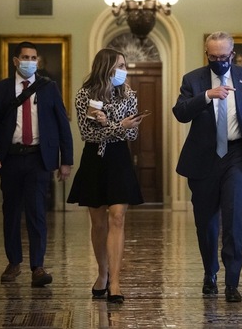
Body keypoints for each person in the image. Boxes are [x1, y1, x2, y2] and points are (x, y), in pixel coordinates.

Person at [173, 31, 242, 303]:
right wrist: (206, 95)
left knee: (234, 216)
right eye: (213, 57)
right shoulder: (193, 79)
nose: (219, 61)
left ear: (232, 52)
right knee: (206, 222)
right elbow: (180, 113)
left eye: (224, 56)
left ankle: (232, 282)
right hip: (203, 158)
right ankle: (210, 273)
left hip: (237, 155)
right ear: (207, 54)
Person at [0, 41, 73, 287]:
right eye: (25, 57)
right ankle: (13, 262)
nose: (29, 61)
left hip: (38, 159)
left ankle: (38, 266)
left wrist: (67, 161)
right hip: (10, 158)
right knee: (11, 212)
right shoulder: (1, 89)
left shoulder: (49, 88)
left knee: (37, 212)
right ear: (15, 60)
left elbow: (63, 124)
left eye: (33, 58)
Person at [67, 48, 146, 304]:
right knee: (98, 222)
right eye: (118, 65)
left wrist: (110, 125)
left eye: (125, 65)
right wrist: (117, 127)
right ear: (105, 67)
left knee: (118, 217)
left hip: (119, 159)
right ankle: (102, 273)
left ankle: (115, 281)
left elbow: (132, 135)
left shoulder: (129, 95)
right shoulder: (84, 95)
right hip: (95, 160)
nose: (123, 70)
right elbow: (87, 135)